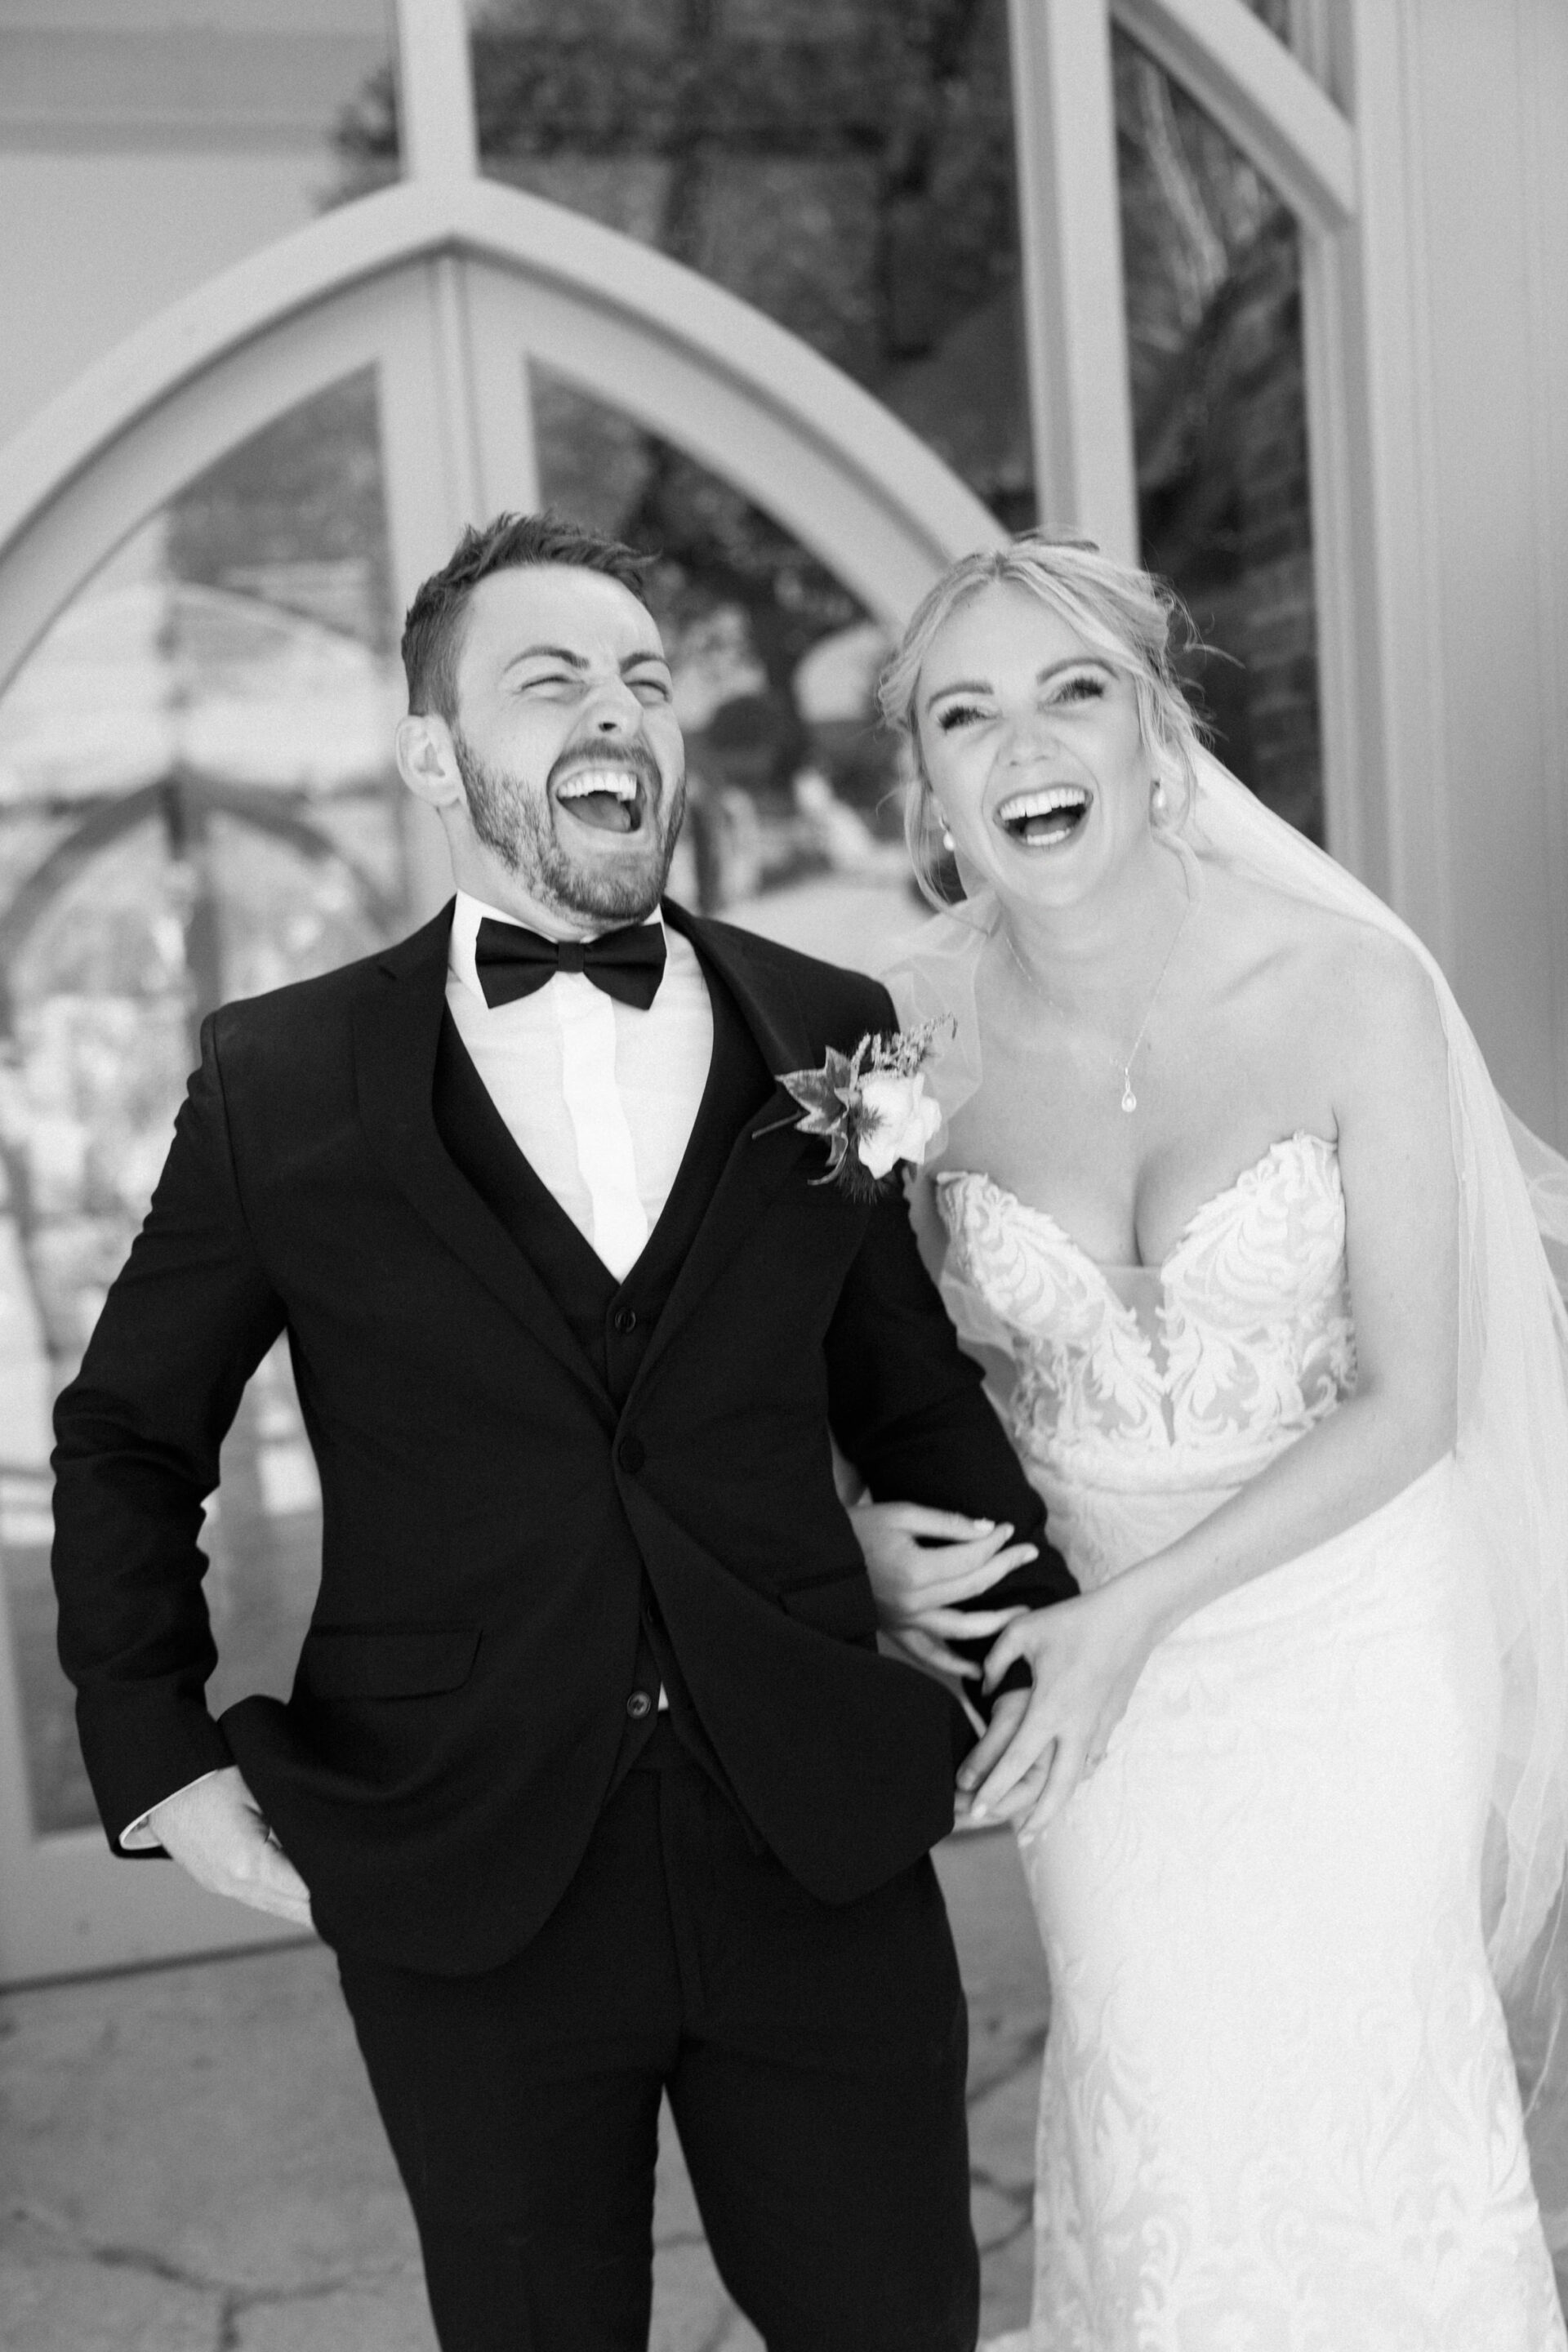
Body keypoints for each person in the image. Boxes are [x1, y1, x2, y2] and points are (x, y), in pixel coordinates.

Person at [50, 511, 1078, 2352]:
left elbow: (907, 1394)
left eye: (644, 679)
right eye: (551, 680)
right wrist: (158, 1756)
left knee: (899, 2320)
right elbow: (130, 1435)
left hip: (812, 1849)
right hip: (467, 1870)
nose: (619, 710)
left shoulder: (824, 1033)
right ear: (434, 755)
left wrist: (1037, 1648)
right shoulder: (280, 1080)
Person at [852, 534, 1568, 2349]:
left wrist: (1133, 1616)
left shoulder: (1349, 988)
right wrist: (863, 1533)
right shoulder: (897, 1039)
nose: (1024, 744)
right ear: (929, 788)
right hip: (1090, 1683)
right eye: (966, 712)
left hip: (1348, 1633)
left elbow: (1413, 1400)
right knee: (1163, 2096)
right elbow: (847, 1358)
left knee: (1371, 2103)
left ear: (1157, 736)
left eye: (1070, 690)